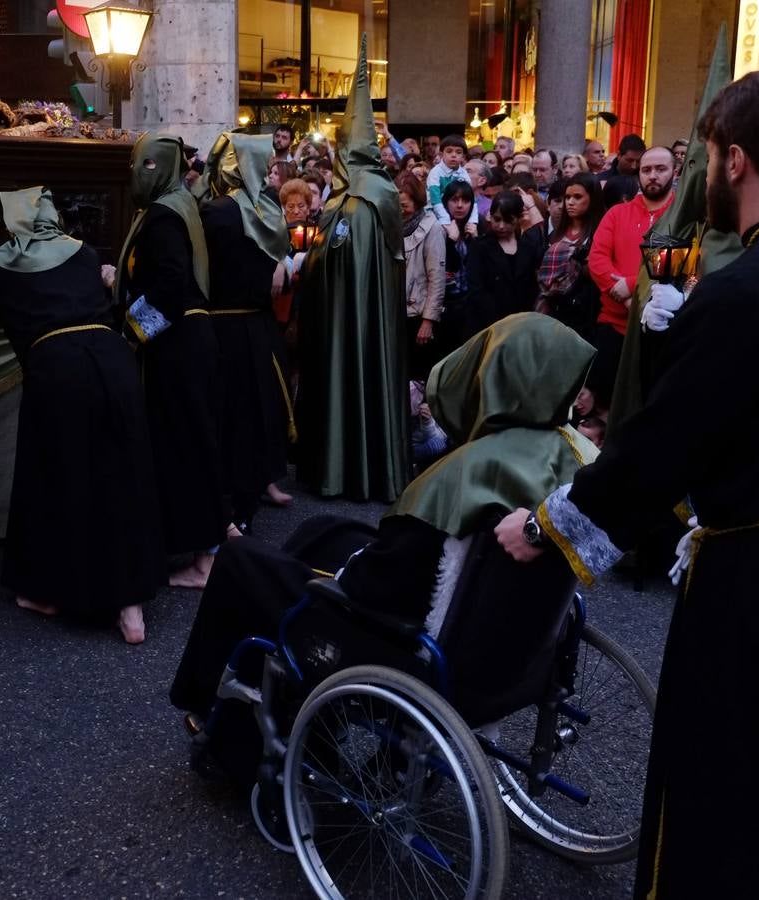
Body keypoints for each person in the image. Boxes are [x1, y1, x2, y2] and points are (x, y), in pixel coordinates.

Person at [495, 62, 759, 900]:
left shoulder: (743, 290)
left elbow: (657, 450)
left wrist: (542, 528)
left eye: (711, 157)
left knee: (730, 780)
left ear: (735, 160)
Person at [172, 313, 598, 781]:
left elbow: (372, 583)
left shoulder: (472, 472)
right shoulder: (577, 457)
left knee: (239, 560)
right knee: (324, 529)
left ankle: (220, 715)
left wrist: (344, 573)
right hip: (505, 645)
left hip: (403, 635)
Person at [0, 188, 161, 642]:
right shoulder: (83, 253)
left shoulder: (1, 264)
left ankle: (51, 592)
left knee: (58, 480)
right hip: (114, 362)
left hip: (59, 372)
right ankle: (131, 606)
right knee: (122, 477)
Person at [295, 35, 408, 503]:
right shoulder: (346, 197)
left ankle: (360, 471)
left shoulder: (369, 198)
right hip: (337, 317)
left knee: (358, 376)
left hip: (360, 319)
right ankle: (340, 464)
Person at [111, 133, 226, 590]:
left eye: (141, 165)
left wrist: (131, 333)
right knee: (193, 441)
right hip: (190, 340)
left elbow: (171, 285)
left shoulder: (162, 215)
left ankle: (206, 559)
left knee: (188, 444)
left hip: (178, 346)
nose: (135, 173)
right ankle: (205, 547)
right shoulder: (177, 204)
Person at [195, 133, 296, 536]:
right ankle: (245, 505)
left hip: (222, 327)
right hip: (258, 328)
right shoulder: (268, 208)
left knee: (227, 417)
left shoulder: (215, 213)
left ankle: (228, 510)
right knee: (253, 414)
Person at [586, 145, 675, 407]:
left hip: (661, 332)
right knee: (606, 406)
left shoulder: (682, 218)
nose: (653, 176)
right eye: (647, 169)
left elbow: (680, 265)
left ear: (674, 171)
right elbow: (597, 259)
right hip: (614, 326)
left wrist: (631, 286)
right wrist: (627, 299)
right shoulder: (617, 213)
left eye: (661, 169)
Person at [538, 172, 606, 339]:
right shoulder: (555, 233)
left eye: (577, 197)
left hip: (586, 312)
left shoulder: (601, 231)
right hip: (555, 311)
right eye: (567, 197)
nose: (570, 202)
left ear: (593, 198)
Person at [468, 192, 544, 335]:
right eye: (497, 219)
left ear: (518, 219)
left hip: (521, 322)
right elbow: (477, 289)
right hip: (488, 324)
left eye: (508, 220)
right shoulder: (481, 246)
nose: (501, 226)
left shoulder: (527, 247)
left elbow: (532, 287)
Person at [397, 173, 445, 379]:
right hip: (394, 311)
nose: (402, 211)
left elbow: (436, 276)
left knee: (416, 374)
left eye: (405, 206)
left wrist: (428, 320)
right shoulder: (391, 225)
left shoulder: (431, 227)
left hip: (417, 311)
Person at [440, 180, 479, 352]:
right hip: (445, 303)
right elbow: (446, 267)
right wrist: (450, 241)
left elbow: (479, 267)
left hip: (469, 302)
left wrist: (476, 241)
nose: (460, 205)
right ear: (446, 201)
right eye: (454, 200)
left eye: (465, 200)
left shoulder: (477, 227)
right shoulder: (438, 228)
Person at [425, 135, 471, 240]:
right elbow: (435, 199)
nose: (454, 155)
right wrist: (446, 220)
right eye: (449, 151)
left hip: (455, 213)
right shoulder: (435, 173)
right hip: (433, 213)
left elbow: (470, 198)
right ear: (441, 155)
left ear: (463, 157)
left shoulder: (464, 174)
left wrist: (471, 220)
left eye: (458, 152)